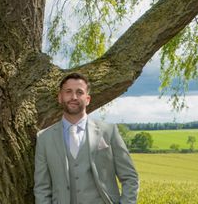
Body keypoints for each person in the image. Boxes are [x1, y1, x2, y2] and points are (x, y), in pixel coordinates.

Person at [34, 72, 139, 204]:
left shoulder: (109, 131)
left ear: (88, 99)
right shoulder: (44, 138)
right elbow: (42, 187)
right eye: (68, 91)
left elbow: (130, 178)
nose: (74, 97)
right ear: (60, 97)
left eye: (79, 92)